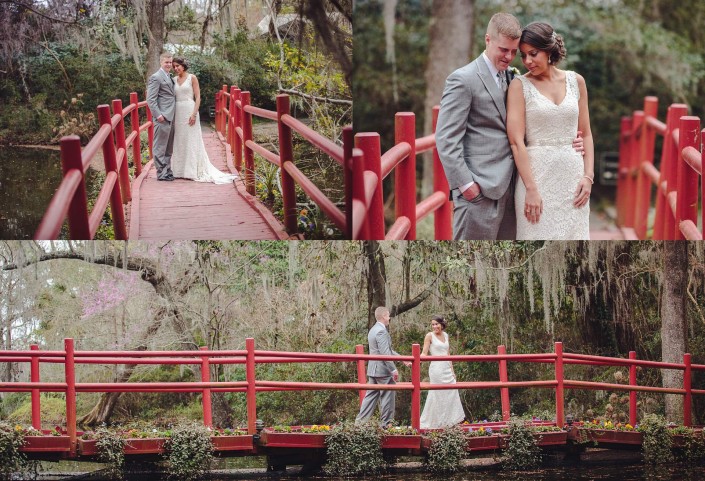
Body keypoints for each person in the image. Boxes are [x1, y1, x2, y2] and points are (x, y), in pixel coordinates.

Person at [435, 13, 583, 240]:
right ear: (488, 40)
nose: (510, 57)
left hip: (512, 189)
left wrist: (567, 139)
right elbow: (446, 139)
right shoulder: (463, 79)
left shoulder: (513, 77)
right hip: (479, 192)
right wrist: (466, 186)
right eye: (504, 50)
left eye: (515, 52)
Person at [507, 22, 593, 239]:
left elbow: (587, 133)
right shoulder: (519, 86)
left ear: (549, 50)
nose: (527, 61)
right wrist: (531, 189)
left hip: (573, 181)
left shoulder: (577, 82)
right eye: (523, 56)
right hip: (537, 179)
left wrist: (588, 176)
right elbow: (516, 142)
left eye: (533, 54)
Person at [169, 57, 238, 184]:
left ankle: (192, 171)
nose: (176, 68)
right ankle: (179, 170)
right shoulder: (173, 80)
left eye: (177, 65)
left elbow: (198, 96)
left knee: (191, 140)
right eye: (174, 66)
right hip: (177, 112)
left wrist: (194, 114)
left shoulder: (192, 78)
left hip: (190, 109)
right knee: (179, 140)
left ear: (183, 65)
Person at [356, 306, 410, 427]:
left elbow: (387, 350)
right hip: (383, 370)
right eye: (388, 315)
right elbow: (385, 353)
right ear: (384, 316)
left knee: (370, 397)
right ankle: (386, 424)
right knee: (387, 396)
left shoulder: (373, 330)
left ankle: (360, 423)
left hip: (373, 370)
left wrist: (402, 359)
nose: (389, 318)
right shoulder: (381, 331)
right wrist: (393, 369)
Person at [419, 315, 465, 429]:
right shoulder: (429, 336)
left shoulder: (446, 335)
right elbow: (424, 352)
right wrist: (416, 360)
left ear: (442, 324)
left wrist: (452, 370)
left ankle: (449, 422)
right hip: (436, 369)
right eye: (433, 324)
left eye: (436, 324)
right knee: (438, 394)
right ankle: (434, 423)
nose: (435, 326)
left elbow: (448, 354)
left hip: (447, 369)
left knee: (451, 391)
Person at [146, 52, 176, 181]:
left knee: (168, 147)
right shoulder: (156, 77)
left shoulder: (169, 76)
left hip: (171, 116)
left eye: (170, 62)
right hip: (162, 117)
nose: (169, 64)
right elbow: (150, 99)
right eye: (166, 62)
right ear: (161, 62)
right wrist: (158, 115)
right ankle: (161, 173)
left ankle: (167, 170)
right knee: (159, 146)